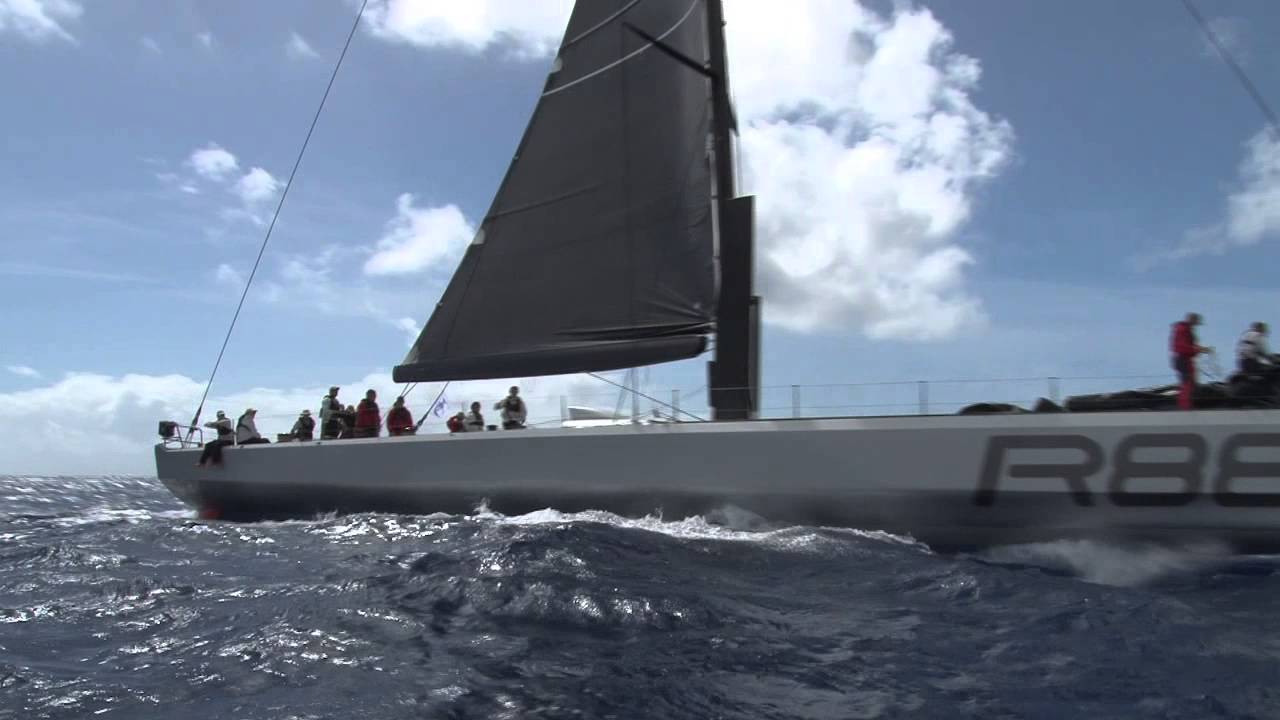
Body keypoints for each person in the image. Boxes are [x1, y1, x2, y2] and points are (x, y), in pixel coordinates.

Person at [1170, 313, 1211, 410]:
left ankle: (1187, 405)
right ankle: (1185, 407)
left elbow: (1185, 346)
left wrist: (1200, 349)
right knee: (1187, 384)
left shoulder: (1185, 329)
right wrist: (1198, 350)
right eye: (1196, 322)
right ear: (1192, 320)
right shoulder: (1183, 329)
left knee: (1189, 383)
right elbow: (1181, 347)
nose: (1197, 325)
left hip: (1184, 359)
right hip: (1183, 359)